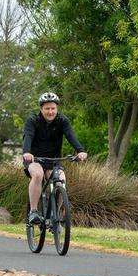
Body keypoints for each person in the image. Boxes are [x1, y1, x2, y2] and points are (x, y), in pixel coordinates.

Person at [22, 92, 87, 224]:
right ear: (41, 109)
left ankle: (55, 213)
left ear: (57, 109)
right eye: (47, 109)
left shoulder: (62, 121)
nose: (50, 111)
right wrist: (27, 152)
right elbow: (28, 136)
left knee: (60, 180)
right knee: (38, 175)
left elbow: (70, 135)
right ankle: (33, 211)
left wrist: (80, 151)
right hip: (35, 159)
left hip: (54, 160)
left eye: (53, 108)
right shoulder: (33, 120)